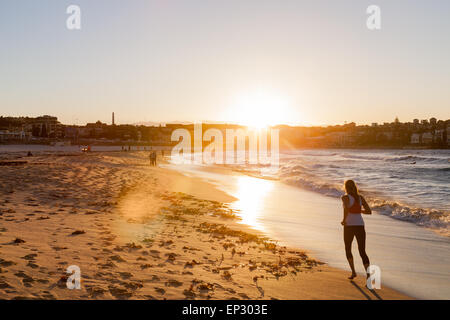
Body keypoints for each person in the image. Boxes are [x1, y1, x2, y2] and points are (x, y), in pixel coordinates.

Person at [341, 180, 371, 280]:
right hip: (360, 225)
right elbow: (369, 211)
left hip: (349, 225)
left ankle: (353, 272)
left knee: (348, 248)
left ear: (345, 187)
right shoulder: (360, 198)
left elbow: (345, 209)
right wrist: (359, 210)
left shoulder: (345, 197)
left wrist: (344, 220)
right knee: (362, 251)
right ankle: (368, 275)